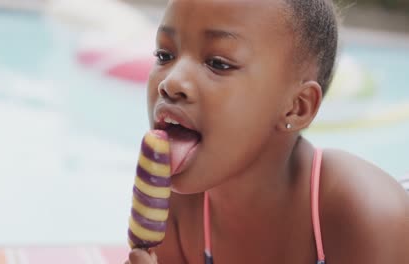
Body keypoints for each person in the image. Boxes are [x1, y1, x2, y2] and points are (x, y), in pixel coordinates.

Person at [126, 0, 409, 263]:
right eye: (164, 55)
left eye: (218, 63)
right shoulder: (177, 211)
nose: (171, 82)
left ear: (297, 107)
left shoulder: (365, 213)